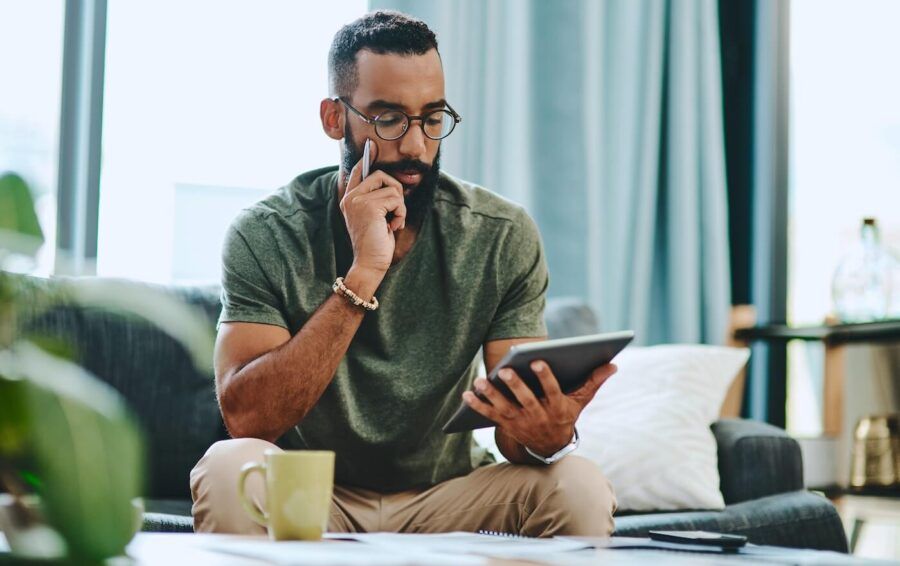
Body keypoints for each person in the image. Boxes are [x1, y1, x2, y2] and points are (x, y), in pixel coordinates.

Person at [190, 10, 617, 537]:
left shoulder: (501, 233)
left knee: (578, 483)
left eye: (432, 118)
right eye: (388, 119)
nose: (416, 145)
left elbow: (514, 441)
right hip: (314, 494)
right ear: (333, 119)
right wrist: (365, 271)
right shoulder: (267, 232)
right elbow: (248, 422)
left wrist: (546, 432)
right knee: (230, 467)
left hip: (449, 495)